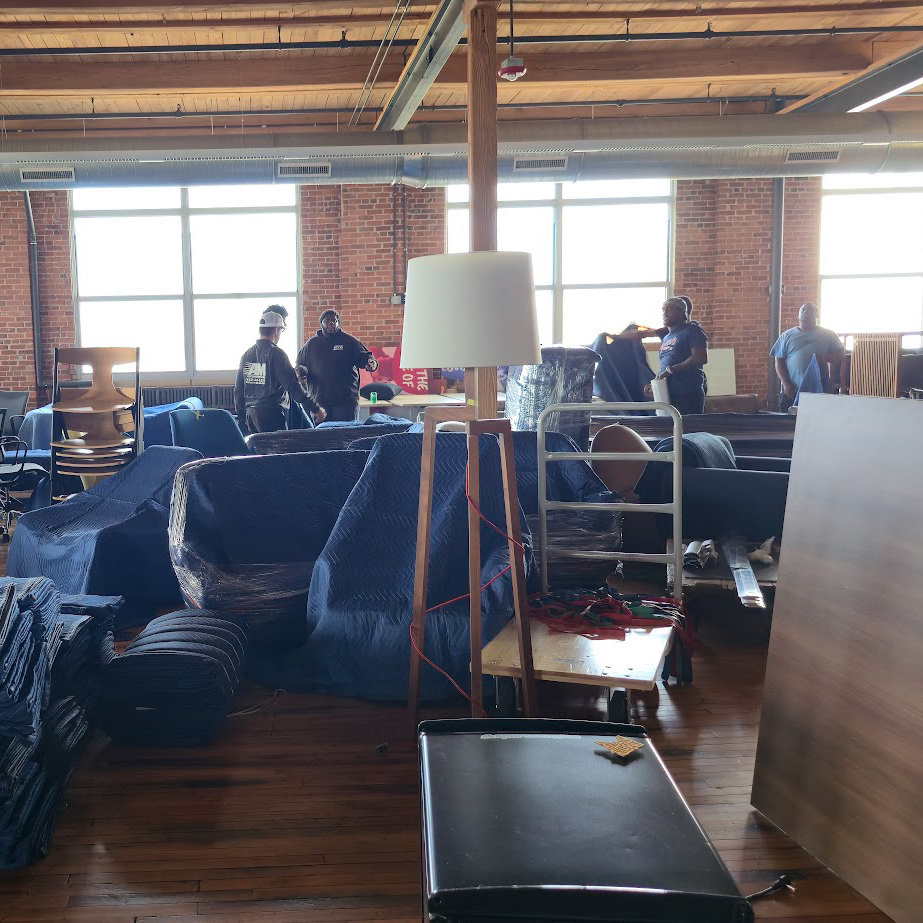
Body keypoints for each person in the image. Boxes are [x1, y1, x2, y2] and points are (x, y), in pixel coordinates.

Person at [235, 309, 326, 435]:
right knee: (276, 447)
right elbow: (292, 386)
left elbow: (239, 390)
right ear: (276, 329)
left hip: (251, 414)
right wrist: (315, 408)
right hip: (272, 414)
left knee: (259, 447)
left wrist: (241, 419)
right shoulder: (277, 354)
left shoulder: (247, 355)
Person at [616, 296, 709, 415]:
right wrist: (655, 384)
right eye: (663, 310)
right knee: (669, 425)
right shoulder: (666, 336)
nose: (664, 313)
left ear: (683, 312)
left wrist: (670, 370)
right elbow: (666, 363)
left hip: (687, 392)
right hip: (668, 393)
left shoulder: (692, 330)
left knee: (685, 425)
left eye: (670, 309)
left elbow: (700, 358)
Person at [296, 309, 379, 422]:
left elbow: (366, 358)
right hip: (320, 402)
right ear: (321, 323)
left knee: (346, 432)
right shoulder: (311, 344)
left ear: (338, 323)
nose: (331, 323)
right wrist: (301, 372)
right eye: (327, 321)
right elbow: (300, 365)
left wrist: (371, 364)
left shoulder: (349, 341)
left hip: (346, 402)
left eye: (334, 321)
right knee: (322, 432)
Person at [770, 303, 845, 411]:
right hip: (792, 391)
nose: (805, 312)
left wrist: (825, 357)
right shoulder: (786, 335)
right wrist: (786, 384)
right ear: (798, 315)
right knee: (788, 421)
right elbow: (779, 360)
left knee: (818, 419)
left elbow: (841, 355)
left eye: (809, 310)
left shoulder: (828, 335)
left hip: (819, 391)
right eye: (803, 310)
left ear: (816, 315)